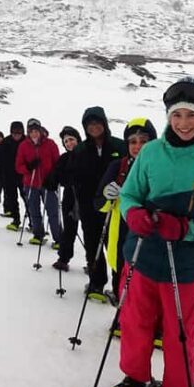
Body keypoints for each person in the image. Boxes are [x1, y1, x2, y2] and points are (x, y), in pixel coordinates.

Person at [112, 77, 194, 387]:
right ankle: (134, 377)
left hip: (186, 264)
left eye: (191, 115)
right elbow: (129, 194)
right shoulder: (151, 152)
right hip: (143, 254)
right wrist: (134, 213)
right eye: (177, 115)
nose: (183, 123)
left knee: (179, 330)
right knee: (135, 321)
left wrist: (187, 229)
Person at [68, 106, 127, 301]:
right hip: (88, 206)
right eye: (89, 124)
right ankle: (97, 282)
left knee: (117, 247)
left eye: (97, 122)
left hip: (116, 207)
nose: (94, 127)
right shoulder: (80, 149)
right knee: (93, 245)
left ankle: (119, 287)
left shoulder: (119, 146)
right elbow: (72, 177)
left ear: (104, 123)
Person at [96, 118, 157, 301]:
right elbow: (98, 203)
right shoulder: (118, 166)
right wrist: (108, 196)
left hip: (149, 235)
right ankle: (121, 321)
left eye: (143, 141)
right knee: (120, 278)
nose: (138, 146)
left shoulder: (159, 168)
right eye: (132, 141)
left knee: (144, 285)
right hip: (120, 233)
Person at [15, 118, 61, 245]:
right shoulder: (23, 145)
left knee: (53, 212)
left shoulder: (50, 144)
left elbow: (58, 163)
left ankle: (58, 238)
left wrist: (54, 177)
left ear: (40, 131)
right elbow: (18, 166)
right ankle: (38, 235)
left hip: (48, 184)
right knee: (34, 211)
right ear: (28, 132)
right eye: (31, 131)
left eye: (36, 131)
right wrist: (28, 168)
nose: (34, 134)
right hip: (30, 184)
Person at [45, 126, 82, 270]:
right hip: (69, 198)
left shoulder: (86, 155)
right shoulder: (64, 158)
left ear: (77, 140)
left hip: (86, 198)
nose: (69, 143)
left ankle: (94, 264)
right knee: (68, 231)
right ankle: (63, 259)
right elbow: (56, 173)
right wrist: (51, 181)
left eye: (71, 139)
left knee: (92, 233)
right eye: (66, 141)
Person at [0, 121, 26, 230]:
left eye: (19, 133)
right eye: (14, 133)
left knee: (28, 199)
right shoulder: (5, 142)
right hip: (8, 176)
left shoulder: (27, 142)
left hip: (23, 177)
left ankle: (33, 223)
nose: (16, 135)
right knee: (12, 199)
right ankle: (16, 220)